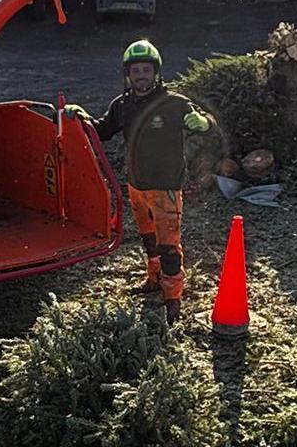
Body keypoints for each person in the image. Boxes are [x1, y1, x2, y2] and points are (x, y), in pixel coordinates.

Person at [66, 39, 213, 325]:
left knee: (169, 247)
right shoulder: (122, 106)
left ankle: (173, 299)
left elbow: (206, 122)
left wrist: (203, 122)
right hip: (136, 186)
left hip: (166, 187)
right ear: (128, 75)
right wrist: (81, 118)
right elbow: (102, 131)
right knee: (148, 239)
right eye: (136, 71)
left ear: (156, 73)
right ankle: (153, 279)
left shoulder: (174, 103)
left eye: (146, 70)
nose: (141, 75)